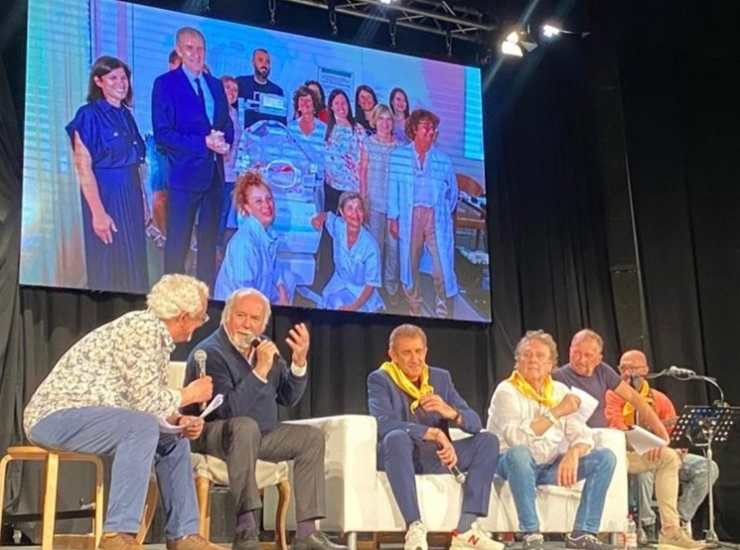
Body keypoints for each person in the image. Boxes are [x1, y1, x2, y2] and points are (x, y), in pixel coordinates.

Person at [24, 274, 219, 550]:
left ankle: (184, 535)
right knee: (140, 426)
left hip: (96, 415)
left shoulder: (156, 337)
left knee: (173, 438)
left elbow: (143, 400)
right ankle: (118, 534)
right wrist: (190, 394)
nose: (201, 324)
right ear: (184, 316)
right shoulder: (141, 330)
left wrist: (178, 420)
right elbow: (146, 404)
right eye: (201, 317)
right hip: (55, 417)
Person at [183, 288, 346, 550]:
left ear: (263, 323)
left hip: (259, 435)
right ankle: (246, 530)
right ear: (226, 317)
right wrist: (259, 370)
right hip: (212, 434)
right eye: (241, 316)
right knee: (244, 427)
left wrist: (299, 362)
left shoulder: (263, 349)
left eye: (255, 319)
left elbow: (289, 397)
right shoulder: (210, 353)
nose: (247, 324)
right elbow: (228, 411)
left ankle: (306, 534)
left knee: (310, 438)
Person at [553, 330, 705, 549]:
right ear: (569, 351)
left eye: (588, 355)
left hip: (612, 448)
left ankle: (670, 531)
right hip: (582, 450)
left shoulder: (603, 373)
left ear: (599, 358)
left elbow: (635, 399)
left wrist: (660, 434)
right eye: (576, 353)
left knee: (668, 457)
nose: (581, 360)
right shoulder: (559, 376)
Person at [367, 324, 502, 550]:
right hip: (400, 455)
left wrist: (451, 412)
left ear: (426, 351)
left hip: (436, 456)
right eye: (406, 352)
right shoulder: (380, 379)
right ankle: (415, 527)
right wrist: (431, 432)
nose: (415, 359)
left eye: (419, 351)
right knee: (396, 437)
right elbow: (383, 423)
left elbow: (475, 423)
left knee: (488, 441)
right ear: (392, 355)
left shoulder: (440, 378)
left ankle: (466, 529)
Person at [487, 330, 616, 550]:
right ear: (517, 361)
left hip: (547, 466)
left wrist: (573, 453)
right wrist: (555, 412)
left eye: (540, 356)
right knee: (520, 453)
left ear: (551, 365)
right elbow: (517, 439)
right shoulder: (506, 390)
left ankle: (583, 532)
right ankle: (531, 533)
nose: (533, 360)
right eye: (527, 355)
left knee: (605, 458)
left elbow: (582, 434)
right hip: (509, 464)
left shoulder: (559, 390)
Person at [605, 350, 719, 541]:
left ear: (646, 370)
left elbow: (676, 435)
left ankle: (678, 520)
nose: (628, 372)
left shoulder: (660, 399)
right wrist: (649, 443)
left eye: (633, 368)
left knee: (707, 467)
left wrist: (677, 447)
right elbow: (615, 428)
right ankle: (648, 526)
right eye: (624, 368)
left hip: (667, 456)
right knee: (648, 467)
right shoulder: (613, 396)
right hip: (634, 454)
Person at [152, 27, 234, 288]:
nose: (196, 54)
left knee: (209, 246)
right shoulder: (165, 84)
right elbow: (163, 134)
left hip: (214, 178)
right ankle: (170, 302)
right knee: (178, 245)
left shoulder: (214, 85)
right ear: (179, 50)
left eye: (200, 49)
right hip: (184, 178)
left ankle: (204, 302)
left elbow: (226, 124)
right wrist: (203, 143)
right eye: (189, 48)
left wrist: (225, 143)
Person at [66, 55, 148, 293]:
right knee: (109, 266)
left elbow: (135, 164)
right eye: (113, 78)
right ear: (98, 81)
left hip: (131, 195)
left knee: (135, 267)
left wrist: (143, 202)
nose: (121, 83)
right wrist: (98, 213)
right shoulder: (88, 114)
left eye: (124, 78)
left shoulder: (126, 115)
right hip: (106, 196)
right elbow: (83, 167)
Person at [388, 109, 459, 318]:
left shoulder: (443, 160)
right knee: (410, 263)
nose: (431, 131)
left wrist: (443, 213)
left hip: (435, 216)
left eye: (433, 128)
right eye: (426, 126)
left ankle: (442, 305)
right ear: (414, 130)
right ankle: (414, 304)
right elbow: (393, 189)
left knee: (441, 264)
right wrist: (393, 217)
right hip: (410, 215)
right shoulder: (398, 156)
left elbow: (452, 193)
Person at [214, 171, 290, 304]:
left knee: (289, 279)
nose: (266, 205)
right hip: (237, 309)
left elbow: (274, 269)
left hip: (258, 296)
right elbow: (244, 295)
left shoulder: (268, 232)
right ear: (247, 207)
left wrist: (282, 291)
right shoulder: (244, 245)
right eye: (258, 201)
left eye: (269, 198)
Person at [311, 191, 383, 312]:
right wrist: (319, 218)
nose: (355, 214)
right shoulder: (338, 226)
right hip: (338, 285)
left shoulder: (371, 246)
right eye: (350, 208)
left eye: (359, 208)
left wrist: (353, 307)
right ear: (342, 212)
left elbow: (371, 284)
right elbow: (327, 216)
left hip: (361, 294)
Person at [360, 104, 400, 304]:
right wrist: (363, 199)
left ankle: (392, 289)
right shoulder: (368, 143)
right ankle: (373, 290)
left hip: (393, 207)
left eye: (389, 119)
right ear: (374, 121)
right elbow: (363, 172)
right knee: (375, 247)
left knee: (393, 247)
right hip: (374, 203)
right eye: (381, 119)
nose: (385, 123)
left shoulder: (399, 147)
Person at [146, 49, 182, 245]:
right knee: (160, 195)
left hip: (181, 150)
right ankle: (163, 235)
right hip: (161, 146)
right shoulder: (162, 85)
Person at [323, 89, 367, 211]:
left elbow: (364, 164)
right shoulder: (325, 129)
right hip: (331, 189)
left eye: (344, 102)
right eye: (336, 103)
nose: (341, 106)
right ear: (331, 106)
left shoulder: (359, 129)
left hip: (352, 190)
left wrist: (363, 193)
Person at [218, 75, 243, 252]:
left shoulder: (235, 114)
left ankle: (218, 247)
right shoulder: (215, 111)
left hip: (232, 172)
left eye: (235, 90)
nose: (232, 93)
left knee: (224, 212)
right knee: (215, 212)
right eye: (228, 88)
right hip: (216, 172)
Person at [236, 48, 287, 129]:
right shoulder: (241, 83)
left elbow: (281, 124)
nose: (264, 64)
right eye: (260, 60)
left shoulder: (277, 91)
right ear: (253, 62)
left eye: (267, 62)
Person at [288, 85, 327, 188]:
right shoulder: (289, 128)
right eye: (301, 100)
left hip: (317, 184)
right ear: (297, 105)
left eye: (308, 100)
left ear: (314, 105)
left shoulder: (324, 129)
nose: (305, 103)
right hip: (294, 183)